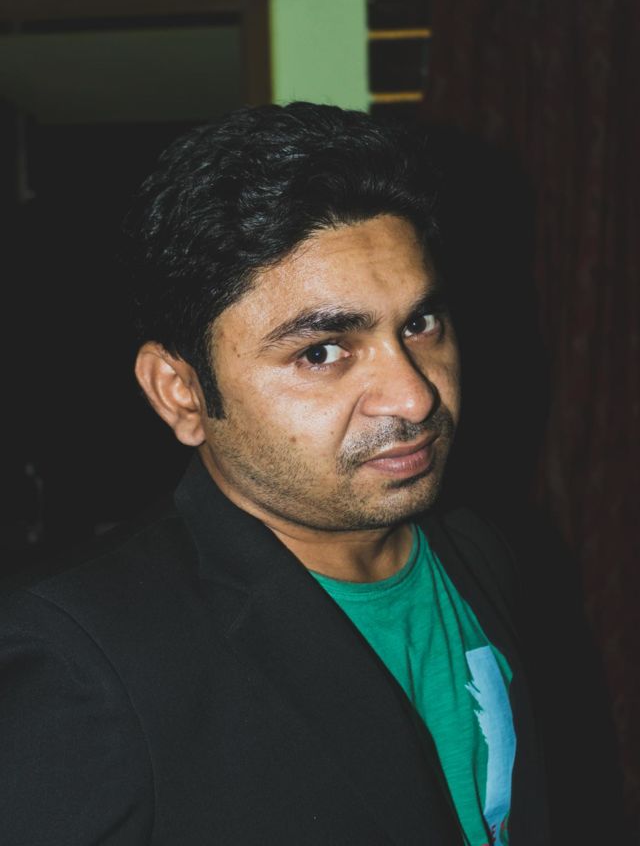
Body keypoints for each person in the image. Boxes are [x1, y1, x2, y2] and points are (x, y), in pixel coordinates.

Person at [0, 103, 609, 845]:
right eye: (321, 352)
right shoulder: (79, 662)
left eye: (419, 324)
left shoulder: (485, 549)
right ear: (181, 392)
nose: (414, 396)